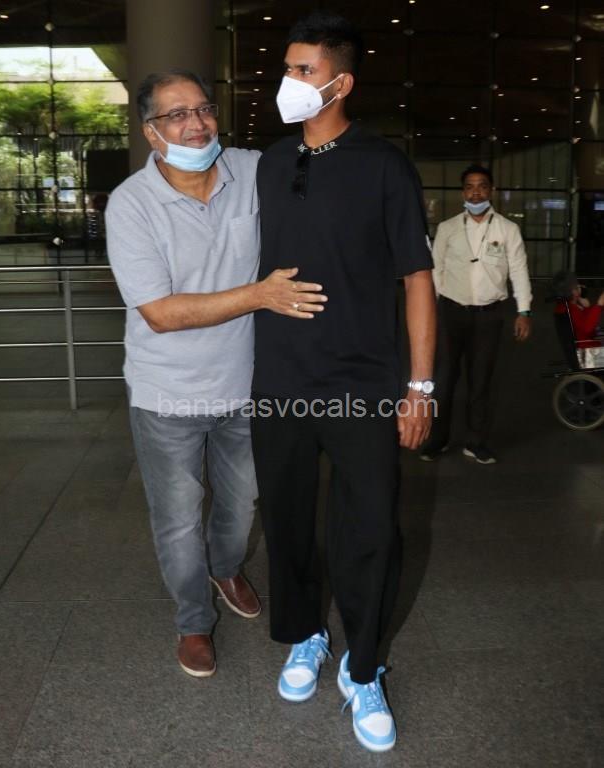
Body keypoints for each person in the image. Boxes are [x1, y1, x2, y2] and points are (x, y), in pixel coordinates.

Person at [251, 13, 436, 753]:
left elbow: (416, 278)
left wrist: (419, 388)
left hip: (362, 379)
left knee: (371, 528)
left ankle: (363, 666)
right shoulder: (270, 162)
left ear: (341, 82)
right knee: (287, 518)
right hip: (279, 377)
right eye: (287, 67)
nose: (288, 81)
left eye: (303, 70)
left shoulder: (384, 165)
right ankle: (305, 635)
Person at [105, 69, 327, 679]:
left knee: (242, 500)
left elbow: (321, 169)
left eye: (203, 109)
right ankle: (193, 621)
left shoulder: (249, 170)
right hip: (166, 393)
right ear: (151, 132)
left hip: (247, 384)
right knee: (179, 519)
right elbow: (160, 313)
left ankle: (226, 568)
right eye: (176, 115)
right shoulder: (131, 205)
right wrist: (260, 295)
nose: (196, 124)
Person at [420, 164, 533, 465]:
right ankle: (437, 439)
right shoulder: (448, 228)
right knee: (444, 379)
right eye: (470, 187)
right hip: (451, 313)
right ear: (463, 193)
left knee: (480, 381)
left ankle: (476, 441)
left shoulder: (507, 229)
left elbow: (519, 271)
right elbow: (435, 270)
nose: (476, 192)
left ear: (491, 190)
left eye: (482, 186)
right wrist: (436, 306)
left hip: (489, 316)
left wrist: (523, 310)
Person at [552, 270, 604, 368]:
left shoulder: (565, 307)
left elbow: (583, 322)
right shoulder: (571, 310)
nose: (580, 287)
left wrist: (586, 307)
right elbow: (587, 328)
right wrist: (599, 304)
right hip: (588, 355)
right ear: (572, 292)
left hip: (584, 350)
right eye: (576, 287)